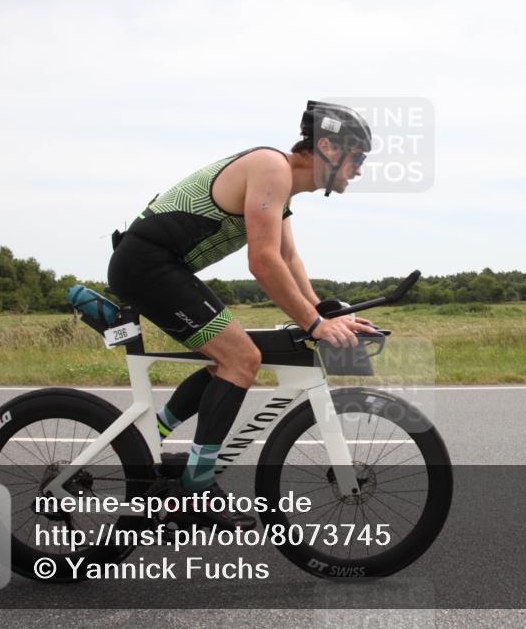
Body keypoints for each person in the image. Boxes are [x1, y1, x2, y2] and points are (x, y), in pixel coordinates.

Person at [107, 101, 378, 529]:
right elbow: (264, 262)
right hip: (147, 265)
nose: (359, 170)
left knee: (233, 356)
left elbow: (289, 258)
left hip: (160, 265)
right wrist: (314, 324)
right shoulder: (272, 167)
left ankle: (151, 437)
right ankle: (196, 488)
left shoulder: (282, 186)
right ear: (326, 146)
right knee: (242, 359)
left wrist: (326, 313)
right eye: (357, 158)